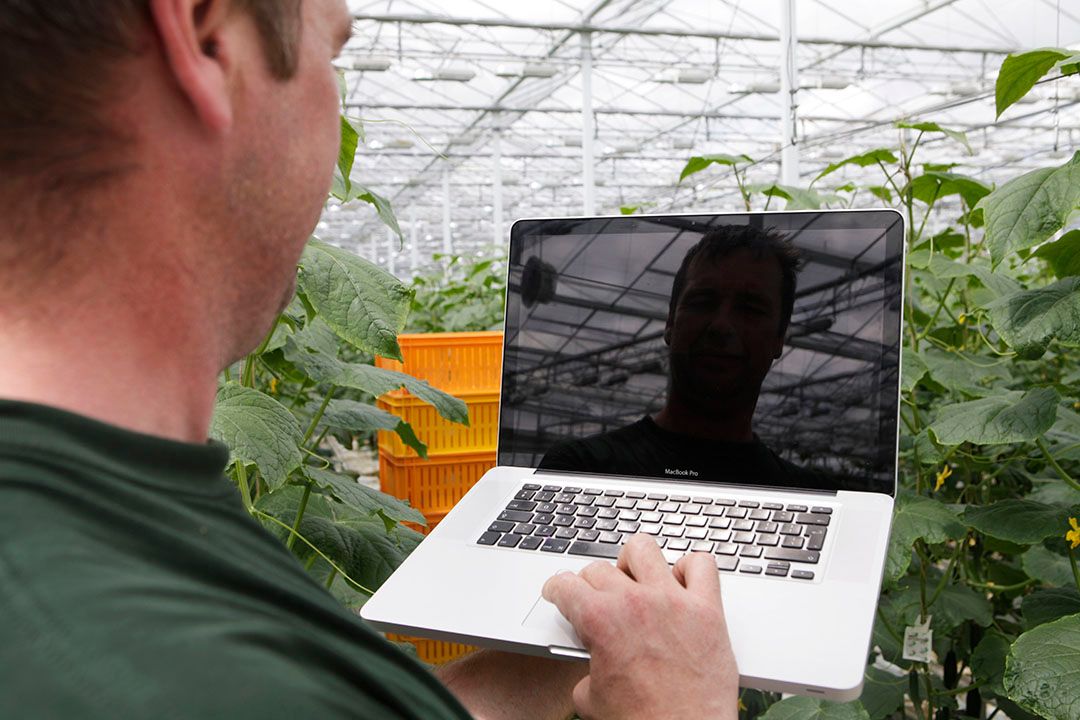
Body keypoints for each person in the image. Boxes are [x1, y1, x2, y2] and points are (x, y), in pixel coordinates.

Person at [0, 1, 738, 718]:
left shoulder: (97, 531)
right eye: (332, 54)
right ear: (207, 35)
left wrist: (595, 640)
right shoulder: (157, 663)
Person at [540, 226, 822, 489]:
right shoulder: (578, 471)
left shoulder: (811, 493)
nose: (721, 326)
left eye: (750, 309)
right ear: (670, 324)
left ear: (779, 338)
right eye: (702, 302)